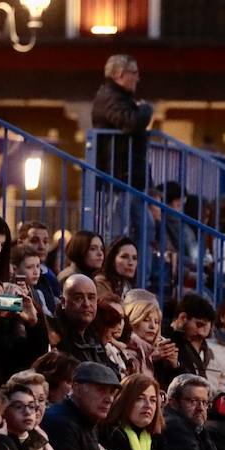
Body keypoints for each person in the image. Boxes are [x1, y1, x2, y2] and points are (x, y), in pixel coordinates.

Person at [91, 54, 153, 236]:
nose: (137, 78)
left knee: (146, 229)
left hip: (127, 177)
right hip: (118, 178)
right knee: (117, 232)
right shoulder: (110, 97)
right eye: (134, 72)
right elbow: (131, 123)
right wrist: (146, 109)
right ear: (119, 74)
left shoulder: (118, 97)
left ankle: (136, 264)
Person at [41, 361, 121, 450]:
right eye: (101, 389)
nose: (109, 399)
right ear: (77, 389)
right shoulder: (60, 423)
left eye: (112, 392)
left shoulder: (88, 417)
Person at [99, 373, 166, 450]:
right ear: (124, 401)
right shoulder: (110, 434)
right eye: (140, 398)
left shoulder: (157, 439)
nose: (148, 406)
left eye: (153, 400)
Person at [95, 236, 139, 301]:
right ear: (112, 260)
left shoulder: (129, 287)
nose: (131, 263)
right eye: (124, 257)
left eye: (134, 258)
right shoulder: (100, 284)